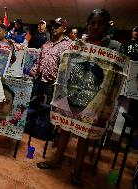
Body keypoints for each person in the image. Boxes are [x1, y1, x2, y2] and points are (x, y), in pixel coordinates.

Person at [37, 9, 124, 187]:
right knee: (64, 127)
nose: (96, 27)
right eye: (93, 23)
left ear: (107, 26)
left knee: (85, 134)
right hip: (72, 93)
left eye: (100, 24)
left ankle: (77, 170)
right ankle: (56, 160)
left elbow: (117, 74)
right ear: (87, 24)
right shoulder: (79, 43)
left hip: (94, 98)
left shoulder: (114, 47)